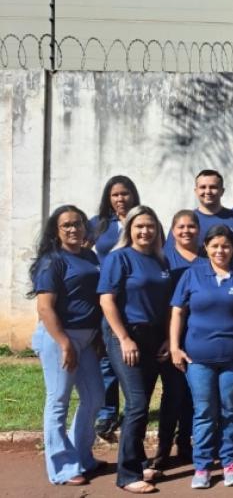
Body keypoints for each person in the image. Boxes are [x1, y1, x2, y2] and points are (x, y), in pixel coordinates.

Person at [170, 225, 233, 489]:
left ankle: (229, 463)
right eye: (214, 246)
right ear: (206, 247)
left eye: (225, 246)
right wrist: (175, 347)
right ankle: (202, 466)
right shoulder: (192, 275)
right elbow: (177, 311)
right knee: (204, 412)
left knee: (229, 410)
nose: (220, 251)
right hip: (198, 358)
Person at [97, 205, 173, 493]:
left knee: (141, 403)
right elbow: (106, 301)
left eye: (150, 226)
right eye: (139, 226)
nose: (145, 231)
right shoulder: (119, 258)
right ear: (129, 229)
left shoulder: (160, 260)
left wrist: (167, 338)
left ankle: (140, 462)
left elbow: (166, 305)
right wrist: (124, 338)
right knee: (137, 403)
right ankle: (127, 475)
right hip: (125, 336)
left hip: (154, 337)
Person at [30, 205, 105, 486]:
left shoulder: (89, 256)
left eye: (78, 223)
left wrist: (96, 336)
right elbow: (44, 308)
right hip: (59, 337)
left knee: (95, 398)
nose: (74, 229)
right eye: (67, 225)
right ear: (57, 230)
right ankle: (62, 467)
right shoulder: (52, 261)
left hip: (87, 339)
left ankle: (81, 456)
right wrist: (64, 343)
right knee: (58, 400)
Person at [88, 175, 141, 442]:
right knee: (107, 359)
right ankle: (107, 413)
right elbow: (82, 251)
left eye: (125, 193)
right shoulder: (97, 224)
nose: (120, 199)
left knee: (132, 357)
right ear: (108, 198)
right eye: (115, 195)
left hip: (133, 299)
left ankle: (135, 408)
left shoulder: (141, 220)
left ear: (133, 195)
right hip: (105, 297)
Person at [146, 211, 200, 472]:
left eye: (191, 226)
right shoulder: (163, 258)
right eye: (181, 227)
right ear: (172, 230)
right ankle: (163, 449)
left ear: (198, 230)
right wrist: (170, 339)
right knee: (173, 393)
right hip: (170, 336)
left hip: (198, 335)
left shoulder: (208, 257)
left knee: (191, 395)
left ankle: (185, 445)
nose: (186, 231)